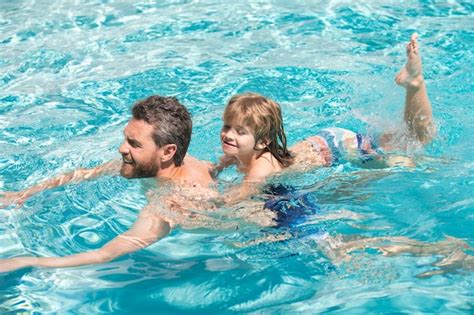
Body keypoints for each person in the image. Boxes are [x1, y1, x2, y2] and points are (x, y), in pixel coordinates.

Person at [0, 95, 221, 272]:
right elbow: (87, 173)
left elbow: (104, 255)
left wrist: (28, 262)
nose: (122, 149)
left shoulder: (171, 202)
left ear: (167, 152)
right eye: (126, 138)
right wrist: (25, 193)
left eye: (134, 144)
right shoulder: (171, 161)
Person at [212, 33, 434, 206]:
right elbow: (220, 165)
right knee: (404, 137)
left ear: (263, 142)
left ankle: (415, 83)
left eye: (240, 131)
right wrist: (214, 170)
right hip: (327, 140)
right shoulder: (241, 152)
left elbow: (236, 198)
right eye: (227, 126)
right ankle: (413, 84)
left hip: (338, 147)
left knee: (413, 143)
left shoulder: (261, 167)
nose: (228, 134)